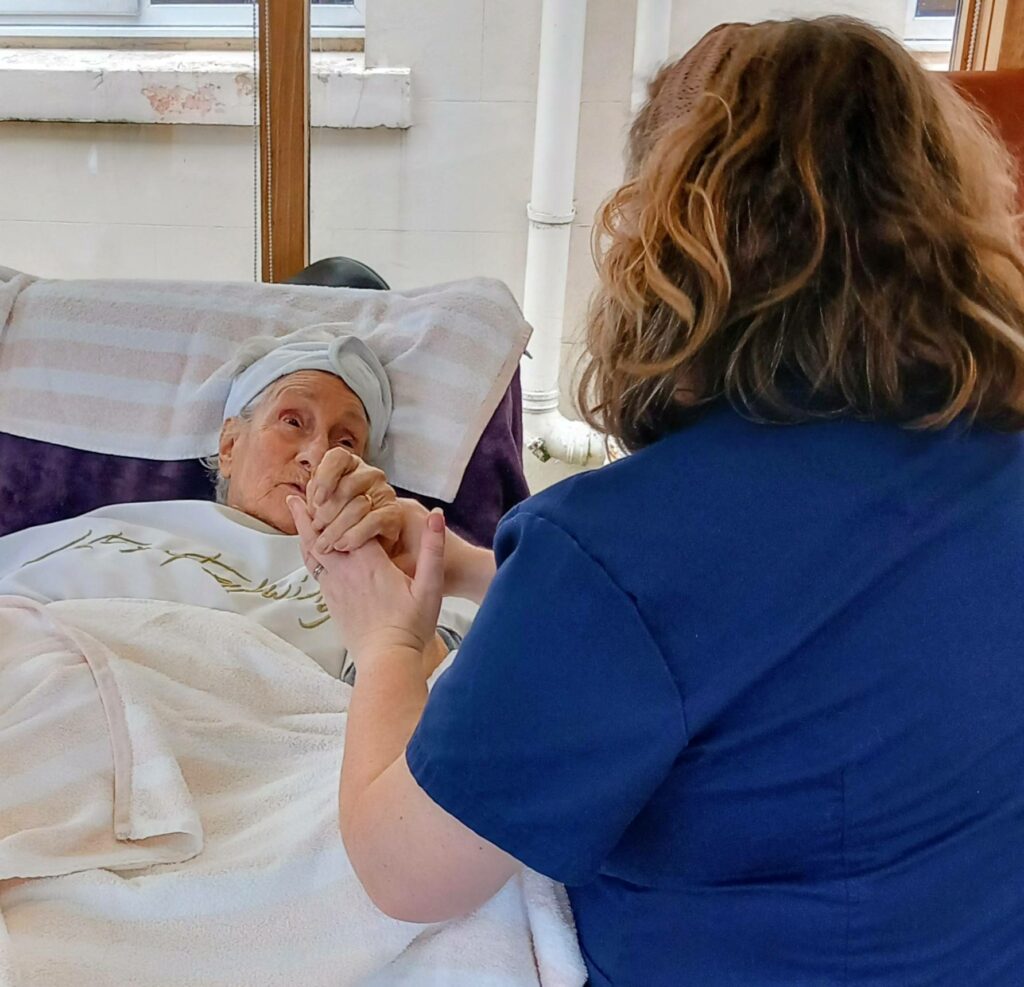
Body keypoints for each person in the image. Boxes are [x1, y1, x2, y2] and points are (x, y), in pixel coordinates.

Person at [291, 17, 1024, 986]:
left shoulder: (614, 554)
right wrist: (465, 566)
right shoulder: (990, 465)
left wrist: (385, 641)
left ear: (665, 249)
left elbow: (401, 869)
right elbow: (771, 631)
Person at [0, 332, 467, 680]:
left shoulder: (390, 581)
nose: (317, 455)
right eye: (292, 421)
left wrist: (391, 589)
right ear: (228, 445)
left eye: (346, 441)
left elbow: (436, 714)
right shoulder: (105, 529)